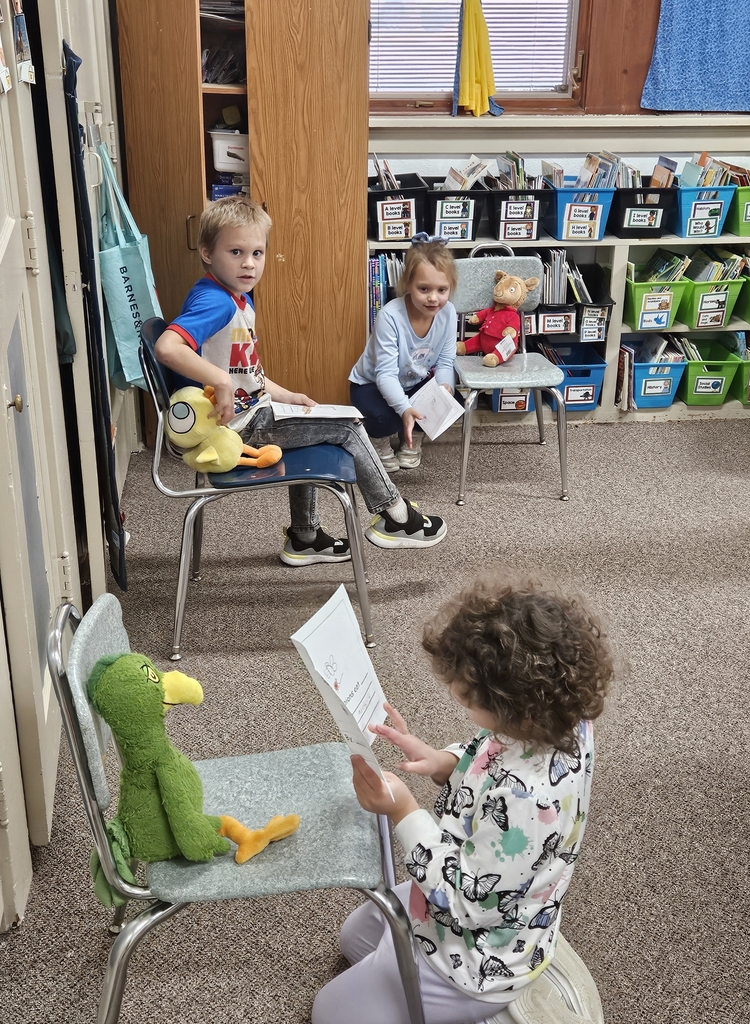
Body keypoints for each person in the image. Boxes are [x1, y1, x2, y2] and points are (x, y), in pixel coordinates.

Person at [313, 577, 613, 1024]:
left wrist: (403, 811)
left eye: (468, 698)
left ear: (514, 707)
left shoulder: (527, 799)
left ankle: (491, 1011)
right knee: (355, 938)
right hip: (471, 873)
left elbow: (463, 902)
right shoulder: (556, 720)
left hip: (478, 955)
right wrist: (442, 761)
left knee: (328, 1013)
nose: (457, 697)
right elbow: (491, 752)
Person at [154, 196, 448, 564]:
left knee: (315, 421)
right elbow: (168, 347)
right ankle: (394, 515)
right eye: (236, 251)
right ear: (207, 253)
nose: (249, 263)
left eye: (257, 253)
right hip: (235, 429)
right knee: (349, 427)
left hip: (249, 413)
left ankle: (305, 537)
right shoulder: (216, 302)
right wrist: (220, 382)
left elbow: (247, 374)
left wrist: (287, 394)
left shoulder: (238, 298)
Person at [349, 234, 458, 472]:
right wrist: (405, 409)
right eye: (424, 289)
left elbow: (446, 361)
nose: (433, 298)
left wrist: (443, 389)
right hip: (371, 383)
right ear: (408, 284)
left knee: (450, 397)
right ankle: (379, 440)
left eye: (442, 290)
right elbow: (385, 375)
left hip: (415, 381)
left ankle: (412, 439)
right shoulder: (390, 316)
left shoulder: (449, 313)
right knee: (385, 417)